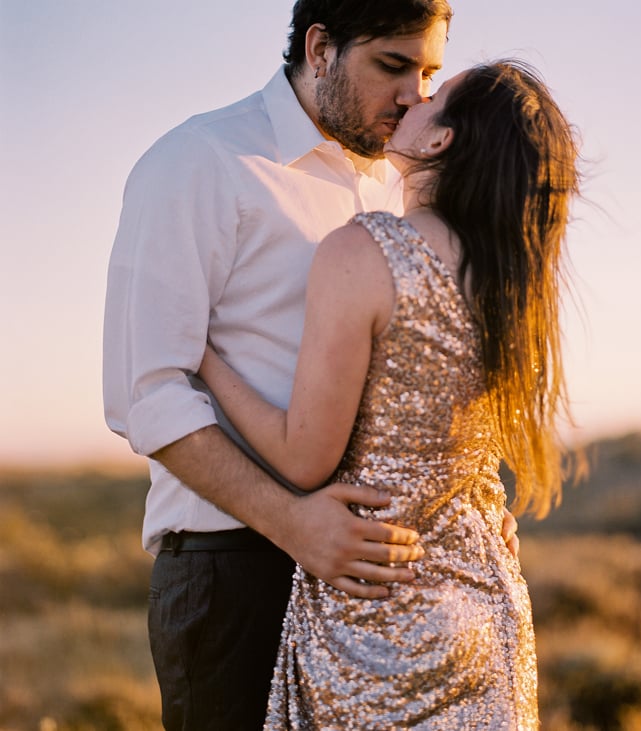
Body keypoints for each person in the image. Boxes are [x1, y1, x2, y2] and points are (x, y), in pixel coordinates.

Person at [104, 1, 520, 729]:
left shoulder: (404, 180)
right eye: (391, 66)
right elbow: (144, 392)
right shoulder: (199, 161)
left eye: (428, 72)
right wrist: (293, 525)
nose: (412, 96)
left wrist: (473, 504)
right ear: (320, 48)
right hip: (233, 563)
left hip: (382, 589)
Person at [198, 60, 581, 728]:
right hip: (485, 609)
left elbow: (303, 459)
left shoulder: (365, 251)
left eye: (434, 95)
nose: (413, 96)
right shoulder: (506, 280)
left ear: (439, 141)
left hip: (377, 619)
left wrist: (206, 355)